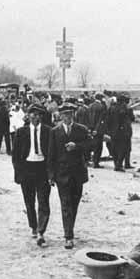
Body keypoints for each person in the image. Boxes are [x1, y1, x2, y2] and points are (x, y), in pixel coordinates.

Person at [47, 103, 91, 249]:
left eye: (70, 114)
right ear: (60, 115)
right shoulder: (55, 131)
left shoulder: (81, 129)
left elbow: (90, 146)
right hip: (62, 174)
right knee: (65, 204)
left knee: (74, 204)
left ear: (73, 115)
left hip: (77, 173)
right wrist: (51, 175)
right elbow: (51, 154)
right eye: (65, 114)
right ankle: (68, 236)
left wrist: (77, 146)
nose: (67, 117)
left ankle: (69, 228)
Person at [13, 104, 52, 247]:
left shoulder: (48, 131)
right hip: (27, 169)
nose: (35, 117)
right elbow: (15, 156)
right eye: (32, 114)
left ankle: (41, 231)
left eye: (38, 115)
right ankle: (34, 227)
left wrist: (51, 173)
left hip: (42, 169)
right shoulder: (21, 132)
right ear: (28, 116)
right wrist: (18, 174)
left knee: (43, 201)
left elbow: (52, 154)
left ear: (41, 117)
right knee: (29, 202)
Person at [104, 95, 133, 172]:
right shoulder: (124, 108)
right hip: (123, 133)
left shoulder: (111, 108)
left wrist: (108, 131)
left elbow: (107, 120)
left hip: (113, 132)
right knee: (124, 149)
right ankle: (119, 165)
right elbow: (129, 119)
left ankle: (116, 163)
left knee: (114, 149)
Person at [87, 93, 107, 168]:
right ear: (101, 98)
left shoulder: (90, 106)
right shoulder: (101, 106)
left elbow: (89, 118)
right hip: (98, 130)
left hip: (91, 129)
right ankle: (96, 163)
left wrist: (90, 129)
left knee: (93, 145)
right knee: (98, 147)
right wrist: (96, 129)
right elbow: (100, 120)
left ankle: (93, 161)